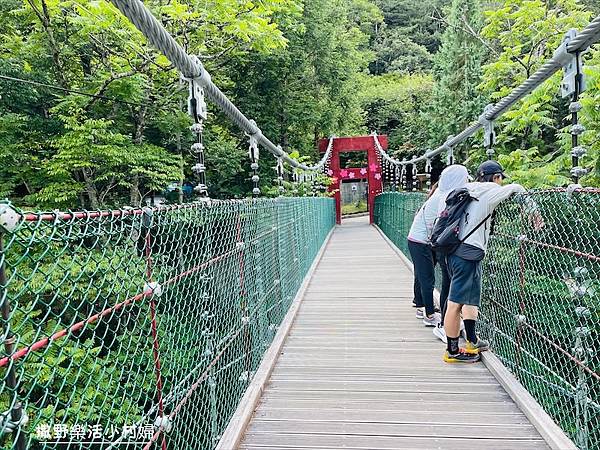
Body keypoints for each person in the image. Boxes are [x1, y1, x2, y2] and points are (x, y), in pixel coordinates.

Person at [443, 160, 542, 363]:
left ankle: (471, 339)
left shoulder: (468, 188)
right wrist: (534, 211)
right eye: (500, 179)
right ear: (496, 177)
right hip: (467, 254)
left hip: (456, 250)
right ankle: (452, 351)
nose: (500, 183)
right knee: (455, 303)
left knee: (469, 298)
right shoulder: (489, 190)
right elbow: (516, 188)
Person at [407, 165, 470, 327]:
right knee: (428, 278)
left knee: (422, 275)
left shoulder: (439, 193)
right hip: (421, 241)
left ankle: (421, 305)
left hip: (417, 239)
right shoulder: (445, 197)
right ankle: (429, 315)